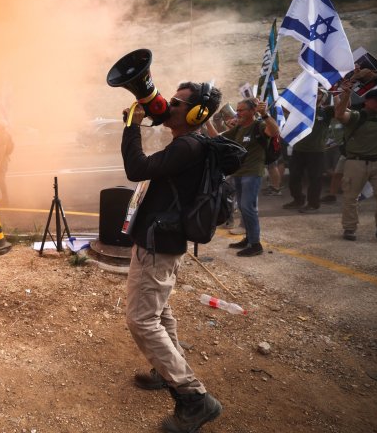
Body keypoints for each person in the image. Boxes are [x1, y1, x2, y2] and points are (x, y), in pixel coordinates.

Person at [121, 82, 223, 433]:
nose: (168, 106)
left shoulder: (190, 146)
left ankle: (194, 397)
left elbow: (137, 168)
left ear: (196, 113)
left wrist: (132, 125)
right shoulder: (187, 143)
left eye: (177, 103)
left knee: (141, 320)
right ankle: (166, 370)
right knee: (160, 311)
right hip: (160, 239)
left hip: (159, 244)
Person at [206, 97, 280, 256]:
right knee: (243, 208)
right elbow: (217, 138)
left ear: (253, 111)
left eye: (241, 110)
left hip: (252, 173)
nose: (237, 113)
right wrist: (206, 121)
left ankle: (256, 245)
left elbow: (274, 131)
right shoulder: (239, 128)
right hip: (238, 173)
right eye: (237, 110)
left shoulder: (259, 125)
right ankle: (248, 239)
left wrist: (265, 115)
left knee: (248, 207)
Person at [333, 83, 377, 241]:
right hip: (356, 162)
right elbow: (340, 115)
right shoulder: (357, 116)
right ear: (367, 102)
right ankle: (349, 228)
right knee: (350, 197)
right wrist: (346, 95)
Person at [283, 88, 334, 213]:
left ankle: (313, 203)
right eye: (313, 92)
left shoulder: (326, 111)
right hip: (298, 149)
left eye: (319, 93)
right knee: (294, 177)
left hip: (317, 151)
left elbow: (343, 108)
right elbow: (284, 108)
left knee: (315, 178)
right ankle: (298, 199)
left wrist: (345, 94)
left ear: (323, 97)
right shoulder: (300, 110)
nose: (315, 95)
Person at [0, 120, 14, 206]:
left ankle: (5, 199)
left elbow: (2, 149)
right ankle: (5, 198)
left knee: (1, 179)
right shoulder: (5, 134)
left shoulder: (2, 136)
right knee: (1, 179)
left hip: (2, 160)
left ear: (0, 128)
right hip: (4, 159)